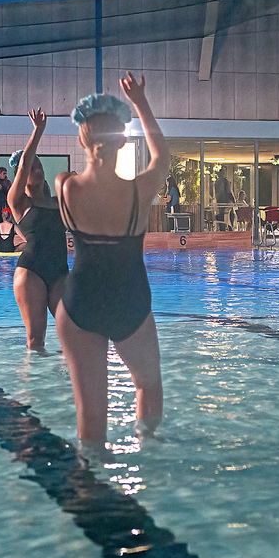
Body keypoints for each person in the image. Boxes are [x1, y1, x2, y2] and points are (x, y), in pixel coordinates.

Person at [55, 74, 169, 445]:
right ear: (123, 140)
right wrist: (140, 101)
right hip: (129, 301)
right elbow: (162, 156)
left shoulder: (65, 186)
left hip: (79, 303)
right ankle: (149, 455)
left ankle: (90, 475)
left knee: (91, 415)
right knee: (147, 386)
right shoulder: (140, 190)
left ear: (81, 140)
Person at [8, 108, 69, 352]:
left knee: (75, 334)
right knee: (36, 340)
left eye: (39, 165)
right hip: (31, 272)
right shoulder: (19, 202)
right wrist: (38, 131)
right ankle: (33, 377)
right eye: (32, 167)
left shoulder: (57, 202)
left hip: (60, 271)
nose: (37, 169)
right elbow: (23, 165)